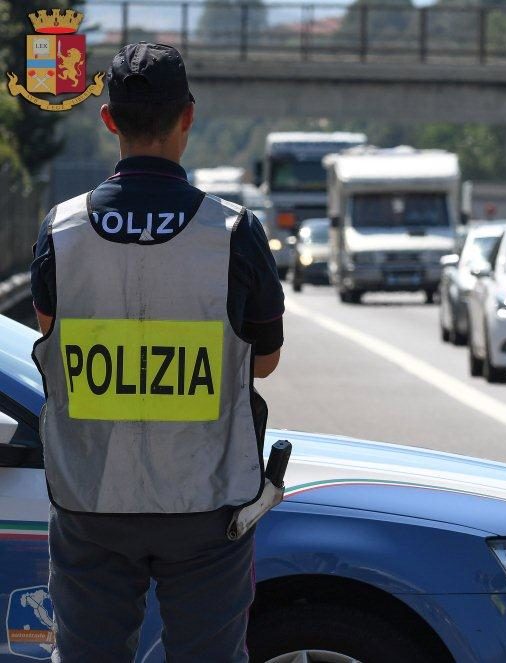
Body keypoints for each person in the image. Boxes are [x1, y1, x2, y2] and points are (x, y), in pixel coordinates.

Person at [30, 42, 284, 661]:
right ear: (188, 117)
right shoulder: (234, 232)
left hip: (91, 499)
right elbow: (264, 357)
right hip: (206, 504)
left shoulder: (61, 230)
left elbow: (50, 337)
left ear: (109, 119)